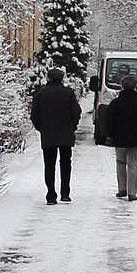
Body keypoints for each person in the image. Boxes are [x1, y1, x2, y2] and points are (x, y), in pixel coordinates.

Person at [30, 67, 82, 204]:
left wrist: (41, 128)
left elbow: (34, 115)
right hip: (65, 133)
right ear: (61, 78)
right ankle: (65, 193)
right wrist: (72, 127)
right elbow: (76, 112)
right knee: (65, 163)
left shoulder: (40, 94)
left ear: (48, 78)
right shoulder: (68, 93)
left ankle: (51, 194)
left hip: (48, 133)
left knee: (49, 164)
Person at [108, 73, 137, 201]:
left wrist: (111, 134)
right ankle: (132, 192)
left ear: (121, 86)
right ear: (135, 87)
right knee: (133, 164)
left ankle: (122, 189)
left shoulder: (115, 103)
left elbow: (109, 120)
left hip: (119, 138)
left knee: (120, 162)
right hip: (136, 139)